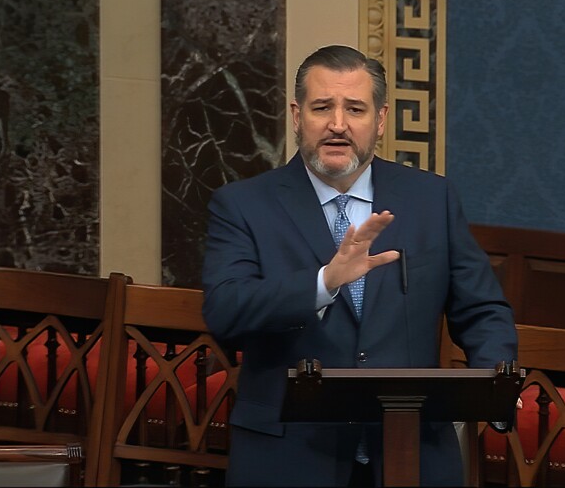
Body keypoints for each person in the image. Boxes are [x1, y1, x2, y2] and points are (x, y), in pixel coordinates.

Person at [202, 45, 517, 487]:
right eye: (322, 107)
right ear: (297, 115)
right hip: (289, 455)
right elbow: (226, 311)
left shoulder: (431, 199)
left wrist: (495, 387)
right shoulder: (242, 204)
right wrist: (324, 282)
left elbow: (482, 309)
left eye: (355, 108)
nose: (338, 124)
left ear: (381, 119)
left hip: (411, 454)